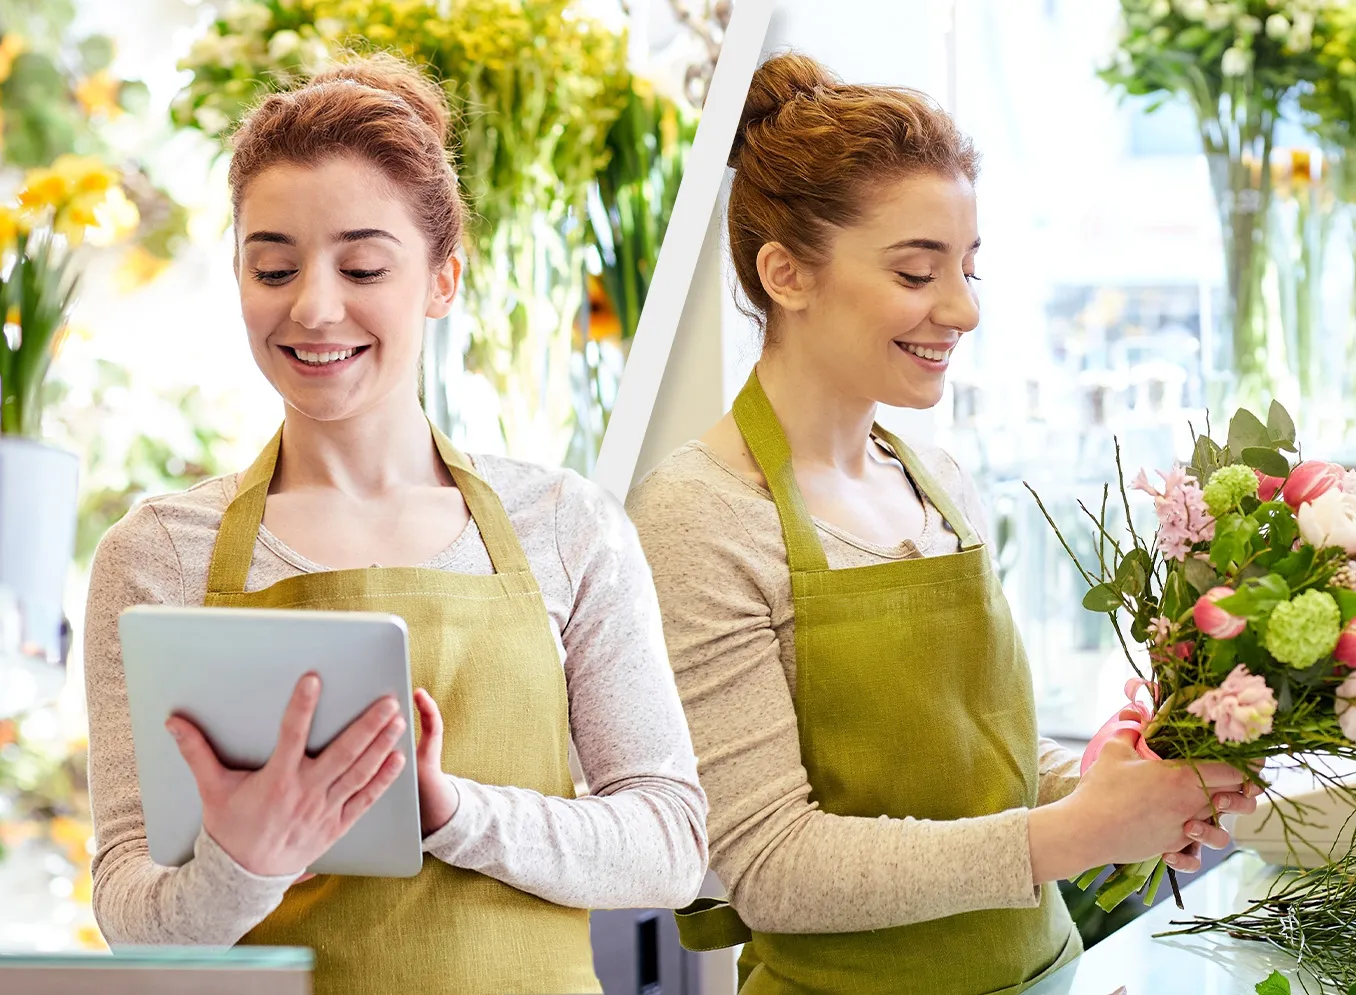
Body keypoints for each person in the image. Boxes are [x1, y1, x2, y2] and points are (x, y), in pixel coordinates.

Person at [624, 53, 1259, 995]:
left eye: (967, 267)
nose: (962, 308)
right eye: (918, 271)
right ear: (785, 272)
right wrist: (1078, 831)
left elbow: (982, 774)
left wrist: (1110, 780)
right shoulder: (698, 515)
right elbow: (772, 864)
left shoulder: (938, 480)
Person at [83, 53, 708, 995]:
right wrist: (242, 863)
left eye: (363, 264)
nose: (312, 306)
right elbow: (131, 911)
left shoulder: (567, 526)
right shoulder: (161, 552)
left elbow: (670, 842)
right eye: (273, 266)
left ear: (442, 278)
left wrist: (451, 811)